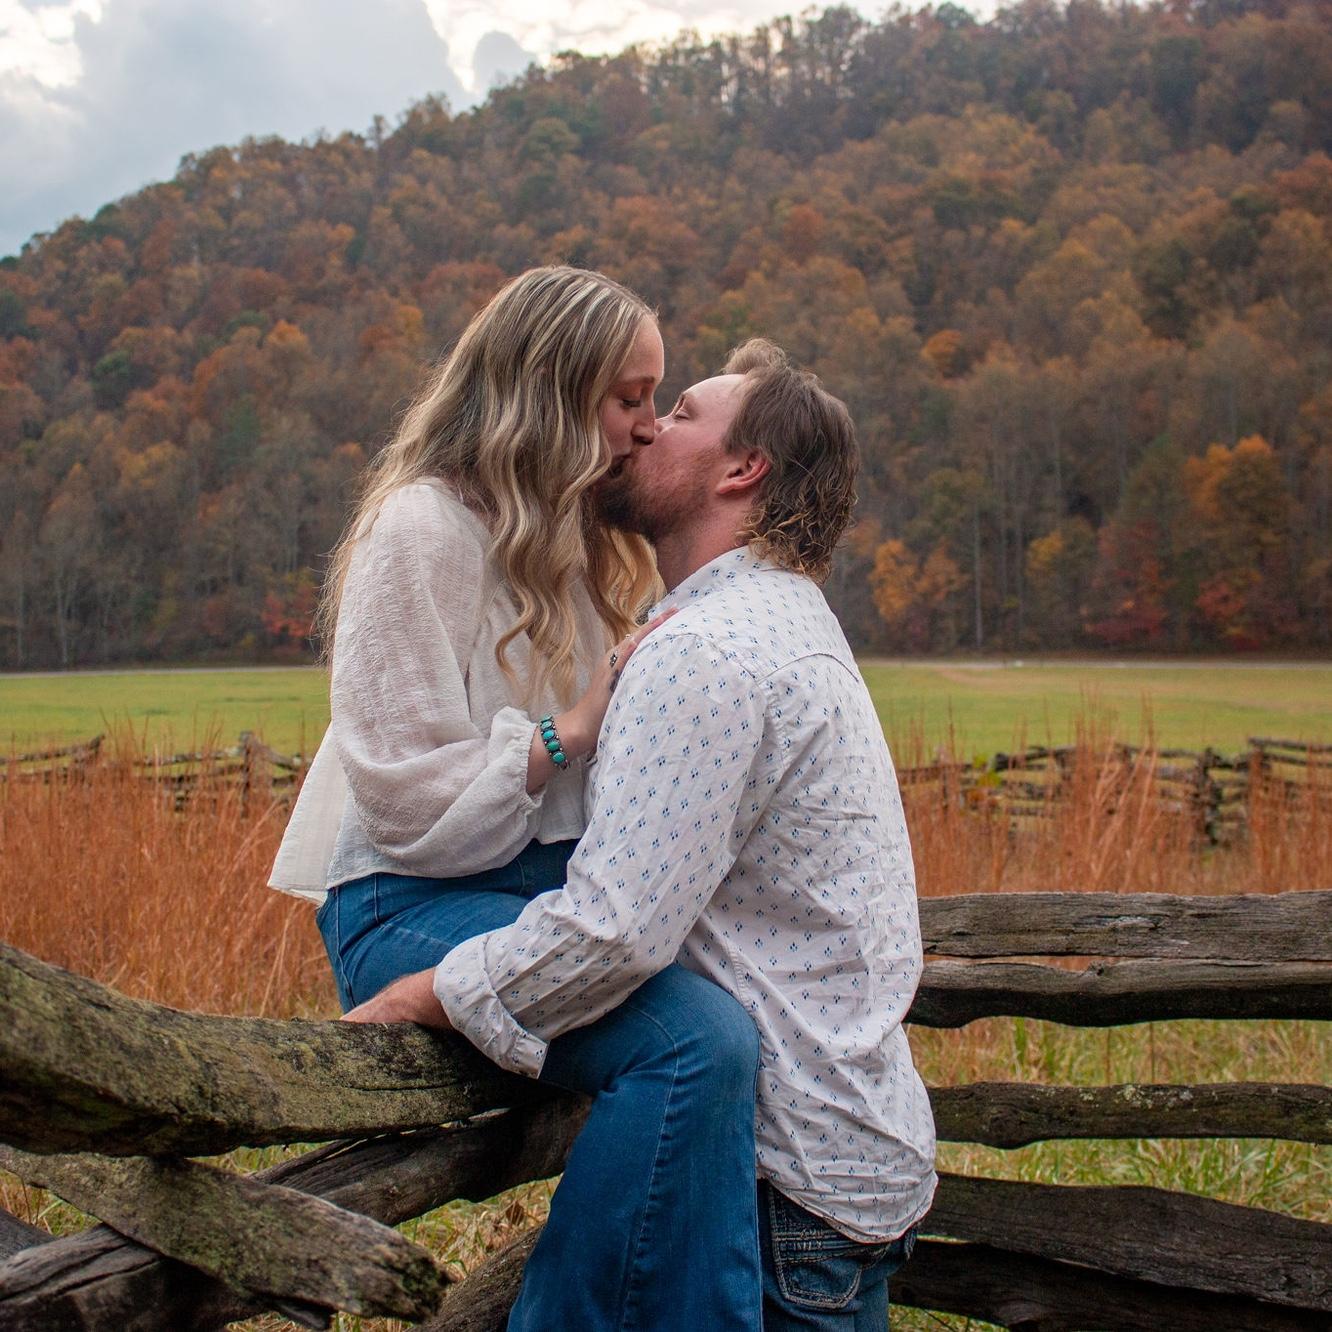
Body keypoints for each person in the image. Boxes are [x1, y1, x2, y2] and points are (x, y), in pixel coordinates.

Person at [349, 339, 939, 1331]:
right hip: (853, 1162)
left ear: (741, 468)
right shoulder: (786, 619)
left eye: (684, 413)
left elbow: (612, 932)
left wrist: (425, 991)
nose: (650, 425)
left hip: (783, 1184)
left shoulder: (703, 651)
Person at [270, 266, 765, 1331]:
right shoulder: (423, 530)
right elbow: (400, 799)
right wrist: (564, 734)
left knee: (740, 1017)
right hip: (408, 903)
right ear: (550, 389)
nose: (643, 427)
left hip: (543, 896)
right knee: (696, 1043)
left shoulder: (593, 539)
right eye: (627, 397)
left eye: (656, 399)